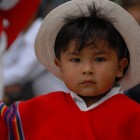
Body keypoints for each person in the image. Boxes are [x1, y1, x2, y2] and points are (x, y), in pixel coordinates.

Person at [0, 0, 140, 139]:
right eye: (76, 60)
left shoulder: (133, 117)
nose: (87, 69)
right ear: (59, 66)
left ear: (120, 66)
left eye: (100, 59)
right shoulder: (38, 110)